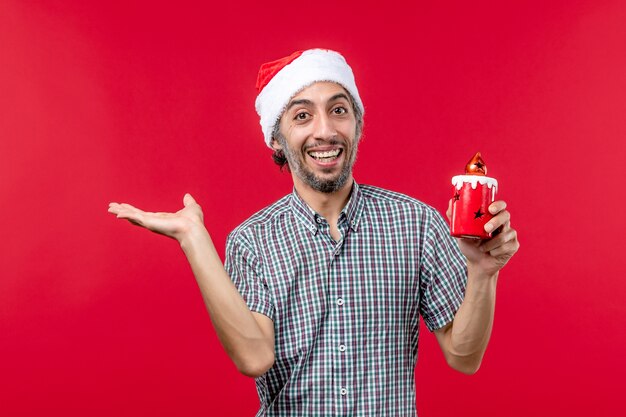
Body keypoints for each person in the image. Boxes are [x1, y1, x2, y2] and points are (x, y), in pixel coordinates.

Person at [108, 49, 520, 416]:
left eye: (338, 110)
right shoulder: (252, 241)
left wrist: (483, 273)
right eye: (302, 115)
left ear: (356, 123)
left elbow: (464, 357)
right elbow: (254, 357)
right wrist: (193, 239)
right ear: (276, 138)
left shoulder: (418, 224)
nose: (325, 131)